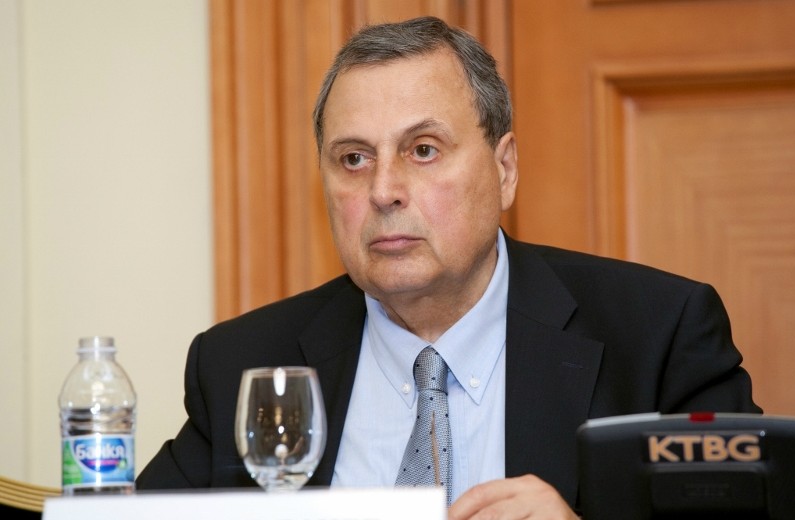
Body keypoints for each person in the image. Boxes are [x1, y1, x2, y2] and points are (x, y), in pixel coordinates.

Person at [136, 16, 760, 519]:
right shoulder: (242, 365)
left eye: (423, 150)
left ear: (504, 170)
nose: (384, 190)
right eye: (353, 159)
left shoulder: (657, 339)